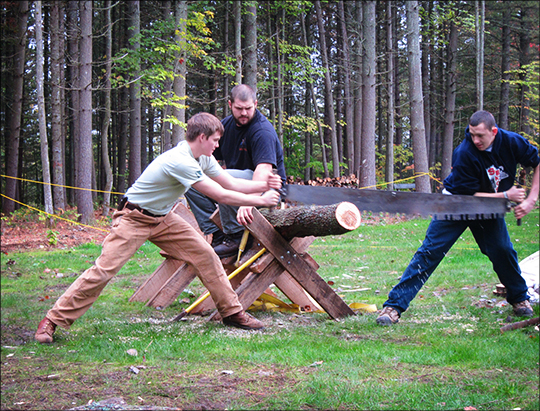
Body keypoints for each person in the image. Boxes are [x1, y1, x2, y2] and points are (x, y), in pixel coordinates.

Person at [35, 112, 282, 344]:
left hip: (163, 218)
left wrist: (262, 184)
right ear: (202, 138)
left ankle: (232, 313)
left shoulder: (203, 158)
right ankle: (52, 320)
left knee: (205, 255)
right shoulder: (180, 161)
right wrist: (261, 200)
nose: (217, 146)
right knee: (103, 271)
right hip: (134, 218)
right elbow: (222, 195)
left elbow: (230, 182)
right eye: (215, 141)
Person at [377, 110, 540, 326]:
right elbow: (467, 196)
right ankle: (393, 307)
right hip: (456, 204)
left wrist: (531, 200)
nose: (475, 140)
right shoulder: (464, 152)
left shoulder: (512, 142)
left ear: (494, 131)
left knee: (502, 250)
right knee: (430, 251)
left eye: (480, 135)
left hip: (489, 208)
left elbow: (537, 162)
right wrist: (505, 196)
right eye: (472, 134)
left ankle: (520, 299)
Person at [185, 84, 286, 258]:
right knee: (189, 179)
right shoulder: (225, 126)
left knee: (226, 178)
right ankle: (217, 234)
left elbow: (263, 171)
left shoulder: (262, 131)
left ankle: (236, 237)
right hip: (236, 183)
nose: (244, 113)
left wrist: (249, 200)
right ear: (230, 104)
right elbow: (204, 153)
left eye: (248, 108)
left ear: (255, 104)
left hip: (266, 188)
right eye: (239, 108)